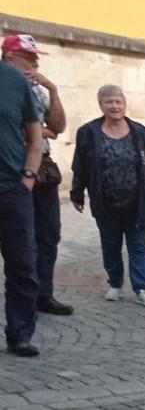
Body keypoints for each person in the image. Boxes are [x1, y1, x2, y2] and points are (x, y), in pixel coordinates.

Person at [70, 85, 145, 307]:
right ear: (101, 105)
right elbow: (80, 166)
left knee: (138, 246)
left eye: (118, 102)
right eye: (109, 102)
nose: (114, 106)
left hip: (137, 202)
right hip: (106, 203)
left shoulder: (142, 134)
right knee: (110, 245)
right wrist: (77, 193)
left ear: (124, 104)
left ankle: (142, 288)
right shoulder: (88, 133)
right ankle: (115, 283)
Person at [2, 34, 71, 316]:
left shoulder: (38, 91)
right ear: (10, 59)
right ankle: (24, 299)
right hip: (16, 171)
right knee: (22, 240)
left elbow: (58, 127)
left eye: (36, 57)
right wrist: (38, 131)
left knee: (49, 234)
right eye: (29, 57)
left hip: (43, 168)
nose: (36, 62)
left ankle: (44, 293)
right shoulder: (9, 89)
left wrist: (53, 92)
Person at [0, 45, 43, 357]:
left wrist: (28, 176)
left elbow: (35, 135)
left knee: (23, 267)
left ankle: (20, 334)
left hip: (13, 189)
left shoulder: (16, 81)